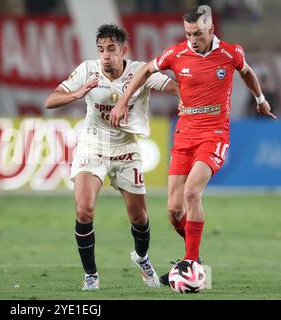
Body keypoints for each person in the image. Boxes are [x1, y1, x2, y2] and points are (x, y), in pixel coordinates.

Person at [109, 5, 276, 286]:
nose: (192, 39)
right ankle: (195, 263)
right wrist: (124, 101)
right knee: (174, 210)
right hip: (184, 134)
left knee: (191, 192)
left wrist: (260, 100)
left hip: (214, 135)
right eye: (188, 33)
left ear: (211, 30)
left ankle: (190, 264)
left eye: (197, 33)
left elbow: (246, 72)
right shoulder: (176, 53)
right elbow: (147, 70)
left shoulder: (230, 53)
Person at [44, 24, 180, 290]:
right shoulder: (87, 70)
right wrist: (77, 93)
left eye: (111, 49)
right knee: (84, 210)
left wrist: (188, 99)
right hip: (92, 145)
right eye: (101, 50)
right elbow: (50, 101)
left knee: (139, 218)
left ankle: (141, 258)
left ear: (123, 50)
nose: (105, 55)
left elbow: (174, 87)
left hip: (127, 148)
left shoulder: (139, 71)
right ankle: (91, 275)